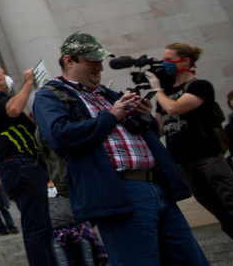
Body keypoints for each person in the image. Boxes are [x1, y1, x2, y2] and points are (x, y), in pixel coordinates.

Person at [33, 31, 209, 266]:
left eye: (100, 60)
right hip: (119, 192)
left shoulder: (107, 93)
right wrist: (111, 116)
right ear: (69, 60)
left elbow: (142, 134)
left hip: (157, 187)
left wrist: (143, 117)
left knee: (191, 261)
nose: (99, 67)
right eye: (91, 60)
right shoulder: (51, 95)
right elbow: (59, 135)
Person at [146, 42, 233, 256]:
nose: (165, 64)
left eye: (169, 59)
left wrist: (157, 89)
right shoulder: (166, 93)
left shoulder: (200, 86)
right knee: (222, 215)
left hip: (208, 158)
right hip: (183, 163)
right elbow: (159, 129)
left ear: (185, 61)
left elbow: (175, 108)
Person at [0, 62, 54, 265]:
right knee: (36, 226)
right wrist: (28, 83)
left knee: (42, 224)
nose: (6, 76)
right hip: (20, 165)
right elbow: (13, 109)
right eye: (3, 72)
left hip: (26, 165)